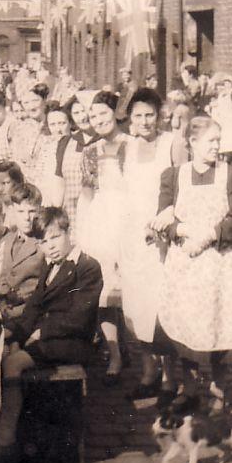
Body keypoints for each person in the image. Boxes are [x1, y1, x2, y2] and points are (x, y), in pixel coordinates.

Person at [150, 116, 232, 414]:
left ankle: (219, 389)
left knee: (221, 324)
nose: (216, 146)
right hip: (187, 265)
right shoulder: (173, 176)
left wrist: (209, 236)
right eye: (211, 141)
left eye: (218, 141)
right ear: (192, 143)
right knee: (186, 326)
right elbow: (163, 217)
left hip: (222, 265)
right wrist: (182, 233)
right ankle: (189, 386)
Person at [0, 206, 102, 463]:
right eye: (43, 241)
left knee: (12, 363)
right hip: (49, 338)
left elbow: (79, 318)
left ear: (69, 232)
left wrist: (39, 333)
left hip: (73, 341)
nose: (49, 247)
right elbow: (34, 307)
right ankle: (22, 427)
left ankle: (4, 441)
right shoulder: (50, 266)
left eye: (55, 238)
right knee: (2, 348)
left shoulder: (87, 267)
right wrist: (16, 333)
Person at [116, 88, 178, 394]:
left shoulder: (171, 144)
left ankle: (170, 377)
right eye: (138, 116)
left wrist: (164, 222)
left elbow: (181, 190)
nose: (144, 121)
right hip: (132, 237)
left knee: (161, 304)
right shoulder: (125, 148)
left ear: (159, 115)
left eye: (150, 115)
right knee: (137, 304)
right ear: (130, 118)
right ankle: (148, 371)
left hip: (162, 238)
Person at [78, 90, 128, 384]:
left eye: (102, 113)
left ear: (115, 112)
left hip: (128, 219)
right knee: (104, 293)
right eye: (92, 115)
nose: (97, 120)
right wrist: (82, 229)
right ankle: (116, 354)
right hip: (101, 221)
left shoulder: (131, 146)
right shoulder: (90, 151)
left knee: (134, 291)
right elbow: (87, 194)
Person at [0, 184, 48, 322]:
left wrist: (17, 311)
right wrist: (2, 302)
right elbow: (3, 278)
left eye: (31, 211)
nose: (26, 218)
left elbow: (45, 290)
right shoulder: (9, 239)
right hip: (6, 310)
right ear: (12, 211)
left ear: (40, 211)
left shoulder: (44, 244)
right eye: (21, 212)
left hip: (31, 315)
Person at [53, 92, 97, 241]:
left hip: (98, 213)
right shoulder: (66, 142)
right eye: (76, 113)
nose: (82, 116)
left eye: (85, 110)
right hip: (71, 215)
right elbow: (59, 181)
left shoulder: (104, 140)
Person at [207, 72, 232, 165]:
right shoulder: (221, 98)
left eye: (228, 83)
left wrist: (225, 76)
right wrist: (211, 109)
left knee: (231, 160)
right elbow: (217, 117)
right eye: (224, 84)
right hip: (224, 134)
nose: (226, 86)